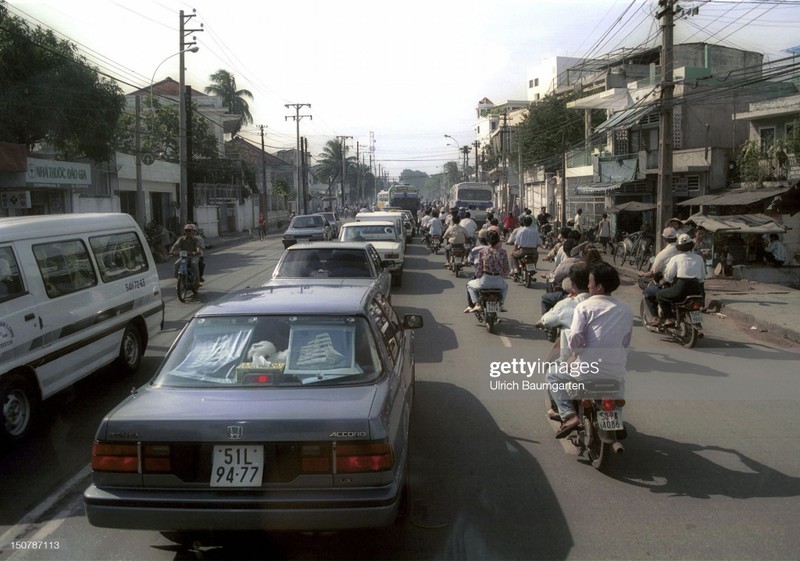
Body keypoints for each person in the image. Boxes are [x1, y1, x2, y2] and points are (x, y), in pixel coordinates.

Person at [547, 262, 633, 438]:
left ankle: (568, 415)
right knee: (618, 386)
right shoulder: (626, 309)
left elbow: (576, 337)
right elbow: (625, 342)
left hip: (586, 372)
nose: (588, 285)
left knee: (552, 374)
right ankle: (616, 419)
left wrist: (573, 356)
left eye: (591, 282)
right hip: (615, 371)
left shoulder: (584, 306)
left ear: (599, 286)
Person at [656, 233, 706, 326]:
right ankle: (695, 321)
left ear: (679, 247)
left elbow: (668, 276)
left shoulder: (676, 258)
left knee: (660, 295)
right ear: (691, 245)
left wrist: (663, 281)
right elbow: (702, 277)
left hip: (681, 289)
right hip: (697, 289)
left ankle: (670, 318)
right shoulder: (699, 258)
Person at [638, 227, 680, 327]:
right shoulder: (684, 251)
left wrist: (643, 274)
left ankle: (656, 318)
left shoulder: (664, 254)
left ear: (664, 239)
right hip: (687, 284)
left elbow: (653, 272)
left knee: (648, 292)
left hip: (670, 284)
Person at [465, 230, 510, 313]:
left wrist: (478, 276)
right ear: (498, 240)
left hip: (485, 281)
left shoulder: (482, 252)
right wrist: (502, 276)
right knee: (506, 286)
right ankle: (501, 304)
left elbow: (479, 268)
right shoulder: (503, 252)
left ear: (487, 240)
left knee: (469, 285)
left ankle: (477, 304)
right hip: (498, 281)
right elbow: (506, 269)